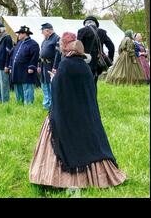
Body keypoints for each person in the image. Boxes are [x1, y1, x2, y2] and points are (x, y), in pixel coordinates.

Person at [29, 32, 126, 188]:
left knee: (62, 141)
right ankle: (96, 176)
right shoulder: (85, 66)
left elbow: (58, 92)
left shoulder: (65, 65)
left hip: (66, 117)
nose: (60, 48)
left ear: (66, 47)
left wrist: (54, 79)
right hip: (85, 116)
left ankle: (61, 179)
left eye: (61, 45)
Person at [77, 16, 115, 86]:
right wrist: (110, 59)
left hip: (85, 62)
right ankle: (93, 96)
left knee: (84, 85)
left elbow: (78, 48)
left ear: (85, 24)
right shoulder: (102, 32)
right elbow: (111, 47)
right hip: (99, 62)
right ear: (96, 24)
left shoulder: (81, 31)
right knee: (94, 83)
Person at [8, 26, 40, 105]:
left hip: (26, 70)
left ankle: (28, 105)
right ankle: (20, 103)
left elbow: (34, 57)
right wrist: (11, 66)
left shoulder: (33, 44)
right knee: (18, 88)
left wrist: (32, 67)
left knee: (27, 88)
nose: (18, 35)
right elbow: (13, 56)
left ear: (25, 34)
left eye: (19, 33)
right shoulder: (19, 43)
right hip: (17, 70)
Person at [38, 23, 60, 110]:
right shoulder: (45, 40)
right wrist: (39, 65)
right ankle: (46, 104)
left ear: (48, 30)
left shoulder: (57, 39)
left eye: (43, 31)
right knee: (44, 85)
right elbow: (41, 54)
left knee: (51, 85)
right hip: (44, 65)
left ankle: (52, 105)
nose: (42, 33)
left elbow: (58, 55)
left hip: (51, 65)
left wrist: (55, 67)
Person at [0, 22, 13, 103]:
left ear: (0, 29)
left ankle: (5, 101)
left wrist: (7, 65)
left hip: (4, 65)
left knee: (4, 85)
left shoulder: (7, 37)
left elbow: (9, 53)